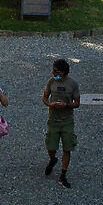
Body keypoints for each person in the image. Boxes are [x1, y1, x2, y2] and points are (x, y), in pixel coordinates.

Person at [42, 58, 82, 186]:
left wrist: (66, 105)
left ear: (63, 72)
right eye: (53, 71)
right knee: (51, 146)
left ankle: (63, 174)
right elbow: (44, 97)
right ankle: (53, 159)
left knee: (67, 148)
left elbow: (77, 103)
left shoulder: (72, 84)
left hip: (67, 121)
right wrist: (50, 104)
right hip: (53, 120)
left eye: (56, 71)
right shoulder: (51, 82)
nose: (53, 73)